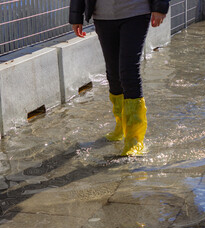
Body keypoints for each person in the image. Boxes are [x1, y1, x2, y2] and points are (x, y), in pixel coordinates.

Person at [69, 0, 170, 156]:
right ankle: (121, 125)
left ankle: (134, 138)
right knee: (113, 74)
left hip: (136, 11)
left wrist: (160, 6)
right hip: (103, 15)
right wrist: (76, 16)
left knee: (128, 71)